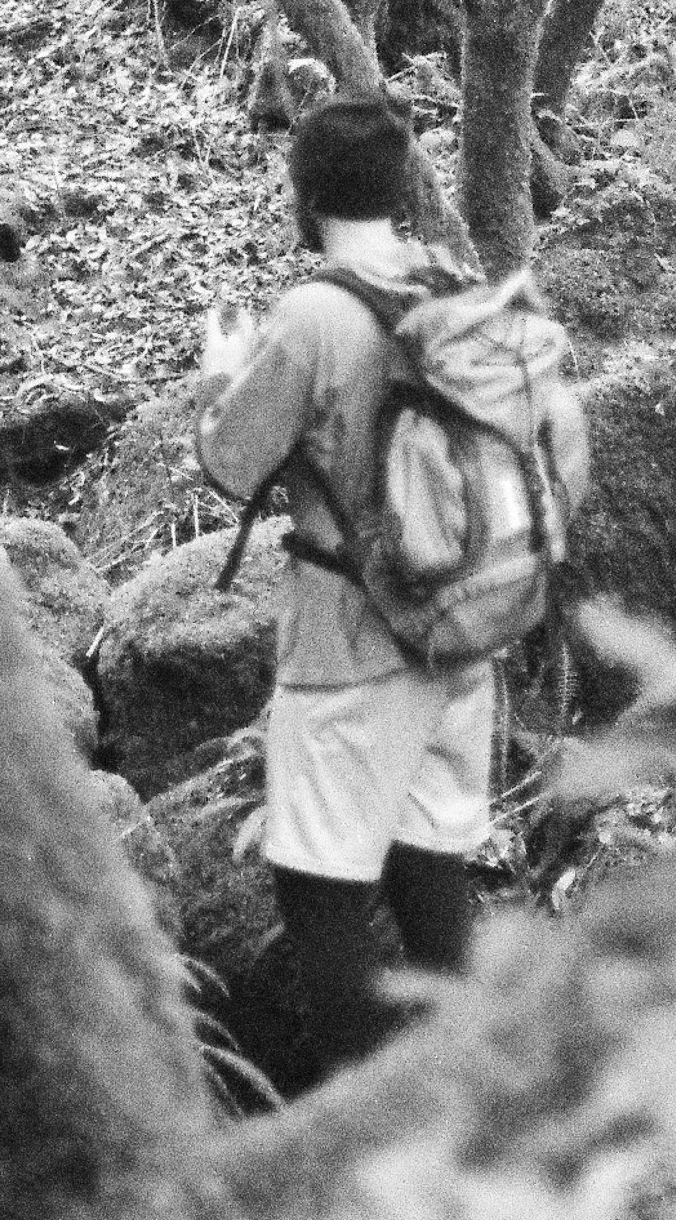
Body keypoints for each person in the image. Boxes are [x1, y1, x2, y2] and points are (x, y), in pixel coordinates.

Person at [194, 96, 588, 1081]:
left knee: (320, 887)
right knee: (430, 869)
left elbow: (232, 466)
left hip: (349, 644)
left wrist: (218, 379)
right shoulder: (459, 286)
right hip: (462, 631)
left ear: (307, 193)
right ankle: (471, 1091)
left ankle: (359, 1141)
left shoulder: (313, 315)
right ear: (408, 184)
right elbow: (562, 444)